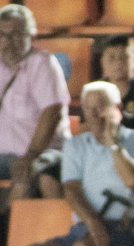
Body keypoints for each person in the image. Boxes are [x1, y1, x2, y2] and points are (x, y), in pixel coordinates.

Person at [21, 81, 134, 246]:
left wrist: (113, 145)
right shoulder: (76, 145)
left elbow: (133, 181)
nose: (94, 114)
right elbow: (71, 189)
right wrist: (92, 222)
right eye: (88, 109)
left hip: (123, 227)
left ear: (117, 109)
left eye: (100, 107)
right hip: (86, 225)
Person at [0, 4, 70, 207]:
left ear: (32, 37)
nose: (8, 42)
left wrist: (31, 154)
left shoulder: (43, 64)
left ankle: (11, 237)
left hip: (41, 154)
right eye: (2, 35)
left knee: (25, 176)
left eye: (15, 35)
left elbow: (52, 113)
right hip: (4, 157)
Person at [99, 36, 134, 131]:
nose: (118, 62)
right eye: (112, 58)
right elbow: (85, 128)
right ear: (103, 62)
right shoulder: (95, 92)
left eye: (124, 57)